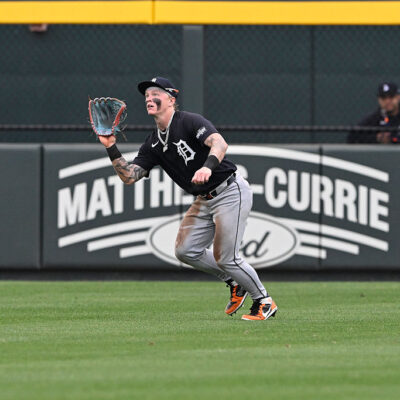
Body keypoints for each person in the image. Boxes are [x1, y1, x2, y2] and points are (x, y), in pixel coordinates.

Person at [94, 77, 277, 321]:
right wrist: (110, 147)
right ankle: (235, 281)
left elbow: (219, 143)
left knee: (227, 256)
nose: (149, 98)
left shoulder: (188, 121)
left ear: (171, 99)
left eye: (155, 93)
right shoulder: (153, 143)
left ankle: (264, 301)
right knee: (185, 250)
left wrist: (209, 167)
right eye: (146, 95)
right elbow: (129, 175)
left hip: (230, 191)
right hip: (204, 198)